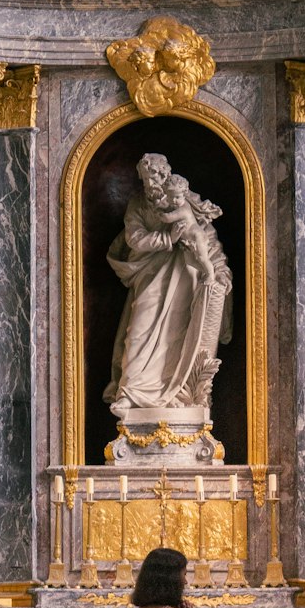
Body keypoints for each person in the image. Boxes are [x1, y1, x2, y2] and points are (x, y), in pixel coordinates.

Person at [104, 154, 232, 416]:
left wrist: (217, 269)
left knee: (178, 333)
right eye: (147, 179)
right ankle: (130, 391)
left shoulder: (182, 198)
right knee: (139, 331)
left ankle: (178, 394)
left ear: (165, 174)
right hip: (149, 276)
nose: (152, 183)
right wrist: (167, 238)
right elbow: (135, 239)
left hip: (185, 278)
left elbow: (204, 234)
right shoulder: (138, 204)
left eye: (156, 177)